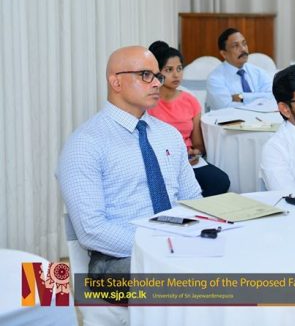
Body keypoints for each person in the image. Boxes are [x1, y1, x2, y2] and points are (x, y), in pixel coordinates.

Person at [57, 46, 202, 276]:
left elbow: (192, 198)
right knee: (196, 283)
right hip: (117, 259)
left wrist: (195, 236)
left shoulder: (169, 135)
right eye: (145, 75)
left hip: (176, 244)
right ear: (116, 82)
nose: (156, 83)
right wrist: (158, 246)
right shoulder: (85, 143)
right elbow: (91, 230)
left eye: (157, 76)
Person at [147, 41, 230, 197]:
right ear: (157, 73)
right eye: (169, 70)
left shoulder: (190, 100)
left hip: (188, 161)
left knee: (221, 181)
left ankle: (194, 208)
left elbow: (198, 145)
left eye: (179, 69)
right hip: (161, 161)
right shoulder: (149, 103)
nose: (176, 75)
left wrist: (195, 152)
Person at [206, 28, 273, 110]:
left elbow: (272, 96)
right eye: (235, 46)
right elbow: (225, 108)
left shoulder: (258, 72)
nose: (243, 49)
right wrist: (259, 102)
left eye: (244, 44)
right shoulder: (215, 79)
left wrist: (242, 97)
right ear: (224, 54)